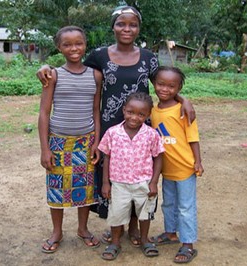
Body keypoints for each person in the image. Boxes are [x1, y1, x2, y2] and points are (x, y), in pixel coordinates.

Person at [37, 5, 196, 247]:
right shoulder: (99, 55)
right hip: (110, 131)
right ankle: (116, 228)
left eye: (133, 24)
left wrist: (185, 99)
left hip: (141, 128)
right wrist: (45, 67)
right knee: (114, 177)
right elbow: (72, 64)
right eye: (121, 23)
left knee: (140, 176)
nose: (127, 28)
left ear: (139, 28)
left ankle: (134, 229)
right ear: (113, 27)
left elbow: (166, 84)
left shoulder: (149, 58)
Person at [38, 25, 102, 253]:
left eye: (78, 43)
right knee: (57, 187)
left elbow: (96, 110)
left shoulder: (95, 75)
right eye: (67, 44)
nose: (74, 48)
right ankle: (57, 231)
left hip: (85, 142)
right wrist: (45, 148)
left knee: (84, 188)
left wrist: (96, 141)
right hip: (58, 141)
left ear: (85, 45)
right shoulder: (53, 75)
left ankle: (83, 229)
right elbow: (44, 113)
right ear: (59, 47)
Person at [98, 92, 164, 260]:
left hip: (144, 182)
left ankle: (144, 240)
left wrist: (154, 182)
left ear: (148, 115)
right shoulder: (113, 133)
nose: (134, 117)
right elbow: (107, 157)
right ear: (124, 110)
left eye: (141, 114)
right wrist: (106, 183)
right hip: (119, 183)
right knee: (117, 213)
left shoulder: (151, 134)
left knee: (145, 213)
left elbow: (158, 157)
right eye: (130, 112)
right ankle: (114, 242)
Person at [150, 66, 204, 264]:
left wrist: (197, 161)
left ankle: (188, 243)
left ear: (179, 87)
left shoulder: (183, 110)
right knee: (169, 204)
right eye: (161, 84)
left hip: (184, 168)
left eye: (171, 86)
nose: (165, 89)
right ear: (154, 84)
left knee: (185, 207)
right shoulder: (153, 110)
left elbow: (193, 137)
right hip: (166, 170)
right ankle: (171, 233)